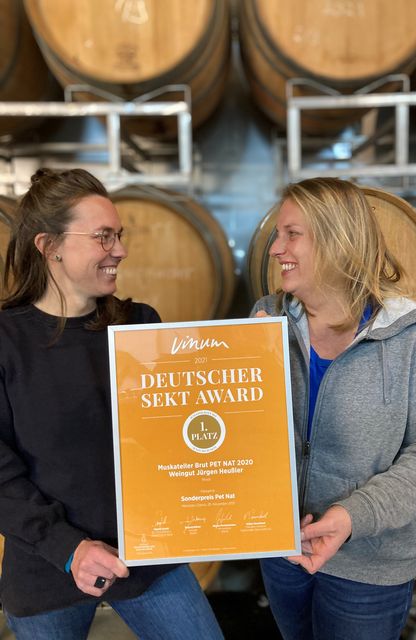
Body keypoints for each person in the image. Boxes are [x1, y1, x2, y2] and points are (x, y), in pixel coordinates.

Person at [0, 168, 224, 640]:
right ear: (50, 246)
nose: (120, 250)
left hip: (147, 558)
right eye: (104, 237)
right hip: (46, 565)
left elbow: (181, 439)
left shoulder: (140, 324)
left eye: (119, 236)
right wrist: (70, 549)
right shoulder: (7, 341)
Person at [251, 177, 416, 640]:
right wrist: (244, 358)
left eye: (292, 234)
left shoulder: (412, 338)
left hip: (369, 564)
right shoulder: (266, 320)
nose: (276, 249)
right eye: (277, 235)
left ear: (337, 240)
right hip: (283, 551)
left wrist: (353, 516)